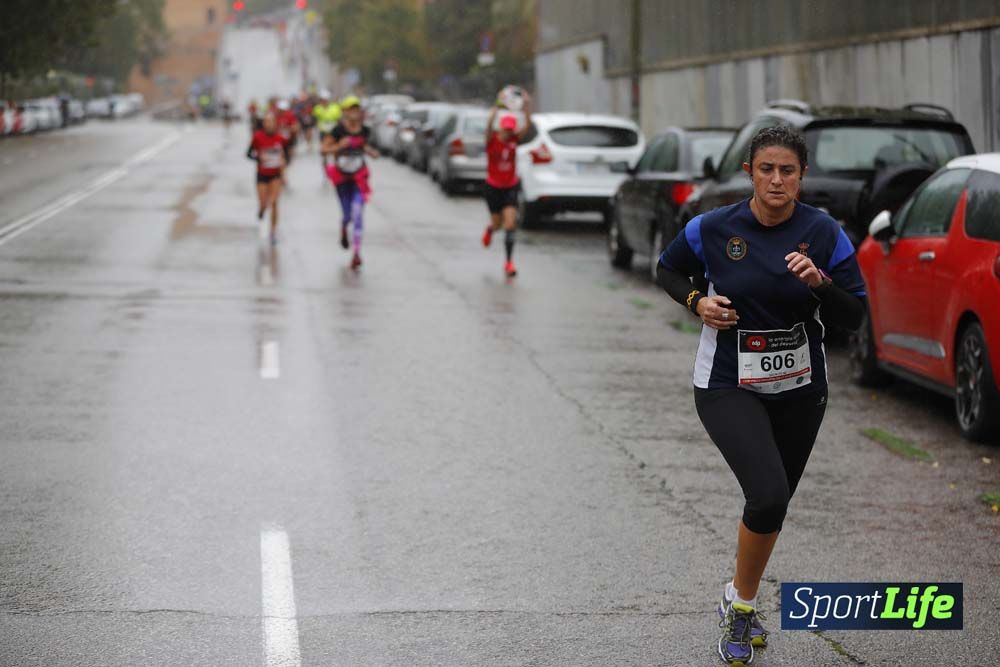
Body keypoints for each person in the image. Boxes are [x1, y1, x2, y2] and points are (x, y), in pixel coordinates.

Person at [655, 125, 866, 666]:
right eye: (766, 169)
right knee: (768, 494)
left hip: (800, 388)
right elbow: (667, 268)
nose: (777, 180)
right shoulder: (713, 226)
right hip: (727, 381)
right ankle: (743, 609)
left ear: (802, 176)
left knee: (772, 507)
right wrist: (698, 301)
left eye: (788, 171)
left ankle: (735, 593)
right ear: (749, 172)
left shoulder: (825, 233)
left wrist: (819, 283)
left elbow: (855, 315)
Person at [321, 95, 379, 269]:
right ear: (345, 112)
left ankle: (356, 253)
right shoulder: (338, 130)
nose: (354, 113)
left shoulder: (365, 131)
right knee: (347, 215)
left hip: (359, 177)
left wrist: (370, 151)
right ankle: (344, 227)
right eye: (351, 109)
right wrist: (339, 146)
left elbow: (368, 148)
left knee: (358, 213)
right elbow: (324, 149)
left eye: (357, 109)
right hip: (342, 177)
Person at [483, 89, 533, 277]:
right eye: (507, 129)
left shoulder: (514, 140)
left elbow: (527, 125)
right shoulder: (491, 141)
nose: (509, 132)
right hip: (493, 187)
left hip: (510, 186)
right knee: (497, 226)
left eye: (512, 129)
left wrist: (527, 105)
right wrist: (497, 105)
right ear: (501, 128)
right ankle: (490, 229)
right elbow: (488, 126)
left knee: (510, 224)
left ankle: (509, 262)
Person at [247, 112, 289, 245]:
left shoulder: (281, 138)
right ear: (263, 124)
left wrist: (284, 168)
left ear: (275, 123)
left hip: (275, 175)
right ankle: (261, 210)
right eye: (266, 121)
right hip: (262, 174)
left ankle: (273, 231)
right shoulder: (257, 137)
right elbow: (248, 154)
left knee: (275, 202)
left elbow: (286, 156)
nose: (269, 124)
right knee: (264, 203)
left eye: (271, 121)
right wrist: (259, 158)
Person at [313, 91, 342, 178]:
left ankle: (338, 169)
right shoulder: (317, 108)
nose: (324, 101)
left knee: (336, 152)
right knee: (324, 153)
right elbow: (315, 119)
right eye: (322, 100)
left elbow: (339, 120)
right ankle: (326, 172)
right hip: (323, 133)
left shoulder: (335, 108)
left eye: (325, 100)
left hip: (334, 133)